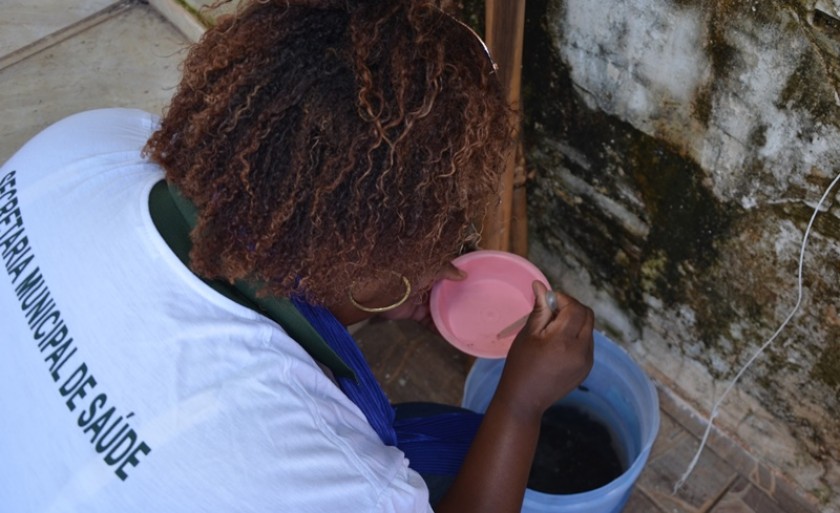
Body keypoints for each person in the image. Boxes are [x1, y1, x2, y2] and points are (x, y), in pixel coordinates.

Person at [0, 0, 594, 511]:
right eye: (441, 240)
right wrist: (520, 405)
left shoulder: (82, 145)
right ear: (373, 273)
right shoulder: (312, 467)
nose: (452, 259)